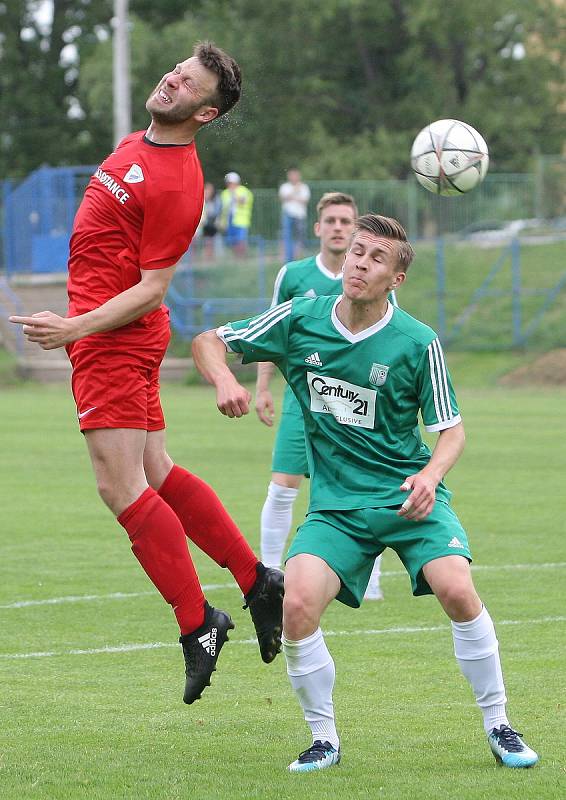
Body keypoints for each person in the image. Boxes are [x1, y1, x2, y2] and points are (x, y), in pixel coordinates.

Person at [191, 213, 539, 771]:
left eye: (377, 258)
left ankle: (500, 724)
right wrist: (225, 378)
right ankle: (323, 737)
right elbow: (209, 339)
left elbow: (452, 431)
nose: (359, 263)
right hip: (336, 509)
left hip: (408, 498)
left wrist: (429, 478)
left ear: (395, 279)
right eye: (357, 251)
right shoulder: (301, 317)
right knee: (297, 604)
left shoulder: (416, 341)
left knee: (455, 588)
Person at [9, 41, 284, 707]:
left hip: (113, 338)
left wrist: (76, 327)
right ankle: (256, 581)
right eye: (175, 71)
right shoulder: (138, 141)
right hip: (106, 336)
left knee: (121, 486)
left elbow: (155, 287)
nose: (171, 80)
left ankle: (200, 624)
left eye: (187, 83)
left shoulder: (179, 182)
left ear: (207, 112)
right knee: (156, 473)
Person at [256, 192, 385, 600]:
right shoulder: (293, 275)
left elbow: (386, 335)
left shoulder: (374, 279)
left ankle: (372, 577)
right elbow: (269, 334)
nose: (338, 228)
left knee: (367, 486)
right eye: (331, 221)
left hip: (355, 402)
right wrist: (262, 388)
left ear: (356, 230)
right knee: (282, 485)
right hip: (301, 398)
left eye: (346, 222)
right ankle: (268, 573)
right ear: (318, 228)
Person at [279, 168, 310, 263]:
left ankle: (298, 256)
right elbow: (283, 197)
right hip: (287, 214)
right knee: (287, 236)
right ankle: (288, 257)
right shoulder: (285, 186)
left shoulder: (304, 187)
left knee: (300, 237)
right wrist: (295, 191)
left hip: (300, 215)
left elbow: (305, 200)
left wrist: (292, 197)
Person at [219, 171, 254, 256]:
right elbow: (223, 209)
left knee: (241, 240)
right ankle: (236, 258)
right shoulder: (224, 193)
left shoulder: (244, 191)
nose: (229, 185)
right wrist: (222, 222)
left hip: (241, 220)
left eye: (231, 183)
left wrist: (233, 194)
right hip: (229, 220)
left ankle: (242, 257)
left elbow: (243, 201)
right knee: (232, 241)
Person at [200, 181, 222, 260]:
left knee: (213, 242)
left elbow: (217, 212)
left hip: (213, 224)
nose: (207, 192)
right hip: (204, 225)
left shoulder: (216, 200)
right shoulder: (201, 200)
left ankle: (213, 258)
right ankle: (205, 258)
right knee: (206, 242)